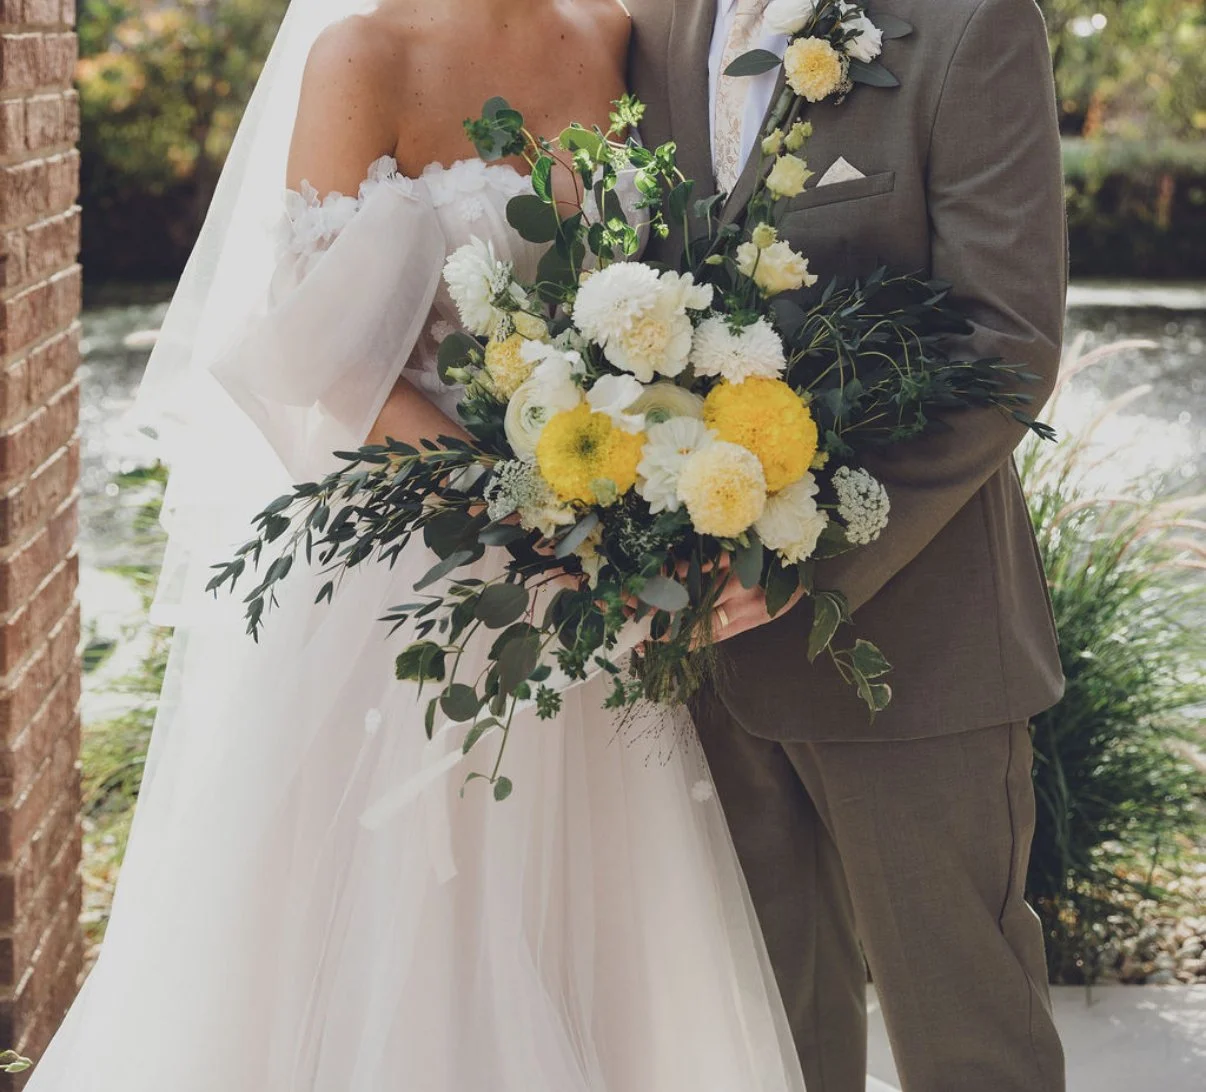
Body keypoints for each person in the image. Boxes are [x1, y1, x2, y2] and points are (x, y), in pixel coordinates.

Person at [24, 0, 842, 1088]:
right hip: (420, 563)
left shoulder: (614, 34)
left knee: (602, 925)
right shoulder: (362, 56)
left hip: (601, 581)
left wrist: (650, 490)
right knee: (410, 935)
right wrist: (525, 506)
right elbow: (328, 358)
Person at [626, 0, 1069, 1089]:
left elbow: (1006, 345)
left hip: (912, 653)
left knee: (968, 1045)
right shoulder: (652, 24)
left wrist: (800, 558)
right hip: (699, 663)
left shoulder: (971, 25)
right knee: (766, 1051)